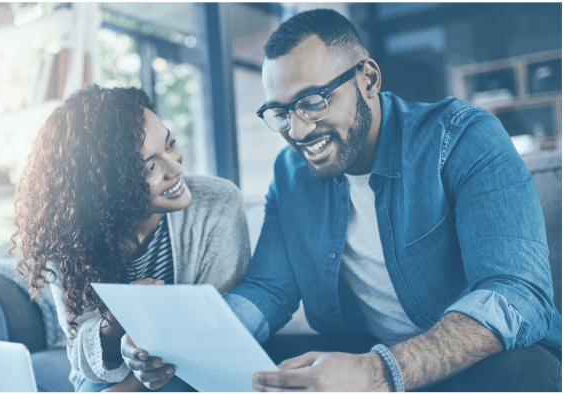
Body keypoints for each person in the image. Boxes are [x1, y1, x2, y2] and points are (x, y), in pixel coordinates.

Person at [122, 9, 563, 392]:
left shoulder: (463, 138)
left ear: (367, 79)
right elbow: (269, 289)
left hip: (473, 362)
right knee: (209, 376)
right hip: (362, 357)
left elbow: (516, 292)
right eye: (280, 112)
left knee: (518, 369)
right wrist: (187, 344)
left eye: (312, 101)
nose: (297, 130)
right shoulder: (291, 175)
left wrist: (379, 373)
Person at [11, 85, 251, 392]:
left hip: (196, 367)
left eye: (171, 144)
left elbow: (215, 336)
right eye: (150, 166)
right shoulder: (69, 236)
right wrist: (116, 325)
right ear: (106, 187)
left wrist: (127, 389)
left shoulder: (219, 204)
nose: (175, 167)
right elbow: (80, 353)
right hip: (108, 371)